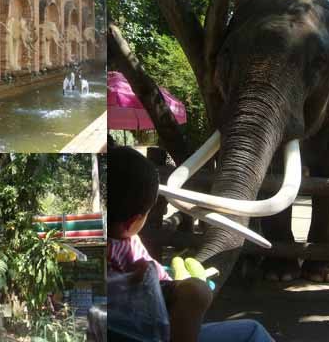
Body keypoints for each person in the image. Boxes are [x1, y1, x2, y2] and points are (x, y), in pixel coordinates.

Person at [107, 146, 273, 342]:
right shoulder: (122, 246)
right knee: (201, 294)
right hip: (150, 330)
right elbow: (155, 284)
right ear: (133, 222)